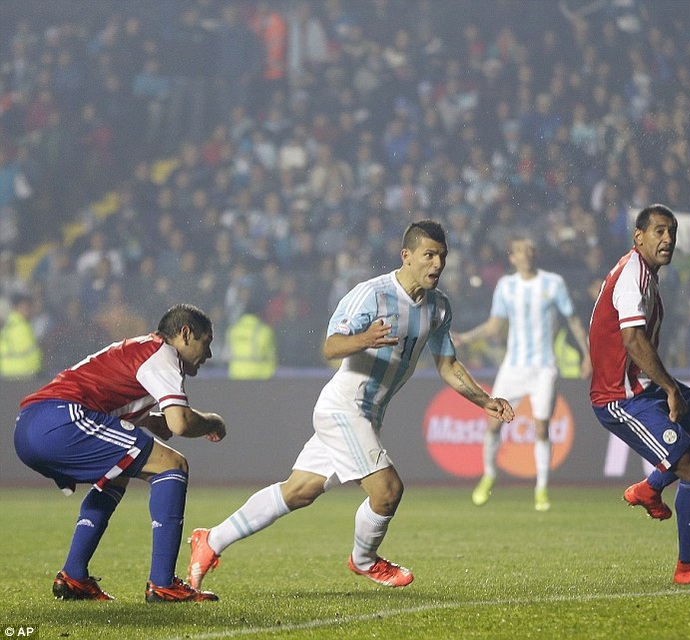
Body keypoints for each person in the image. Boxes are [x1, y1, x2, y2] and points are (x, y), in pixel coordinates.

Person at [187, 220, 514, 591]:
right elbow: (330, 346)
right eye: (429, 255)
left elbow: (448, 364)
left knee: (298, 491)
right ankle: (364, 560)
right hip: (344, 407)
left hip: (368, 416)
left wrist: (484, 399)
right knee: (387, 490)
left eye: (442, 256)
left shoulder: (438, 307)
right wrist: (363, 339)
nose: (437, 264)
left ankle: (210, 540)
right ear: (406, 256)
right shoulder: (372, 295)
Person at [13, 304, 226, 602]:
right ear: (186, 334)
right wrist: (213, 422)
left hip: (31, 424)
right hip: (62, 419)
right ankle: (163, 585)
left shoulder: (137, 349)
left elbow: (113, 402)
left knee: (118, 474)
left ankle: (73, 577)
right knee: (173, 466)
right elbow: (180, 423)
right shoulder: (163, 354)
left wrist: (151, 421)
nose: (209, 355)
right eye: (207, 342)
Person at [589, 204, 690, 585]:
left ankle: (649, 488)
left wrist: (664, 385)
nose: (667, 238)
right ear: (639, 237)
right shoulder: (632, 274)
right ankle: (689, 568)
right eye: (659, 231)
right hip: (620, 398)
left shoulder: (645, 276)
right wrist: (670, 388)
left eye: (672, 231)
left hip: (643, 387)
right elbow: (632, 340)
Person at [455, 237, 592, 512]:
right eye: (520, 250)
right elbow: (495, 326)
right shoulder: (506, 286)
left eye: (530, 250)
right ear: (512, 257)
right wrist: (467, 338)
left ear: (535, 254)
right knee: (494, 421)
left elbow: (573, 319)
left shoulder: (553, 284)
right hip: (513, 366)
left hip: (544, 367)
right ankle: (489, 474)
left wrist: (587, 354)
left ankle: (541, 488)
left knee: (541, 427)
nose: (526, 255)